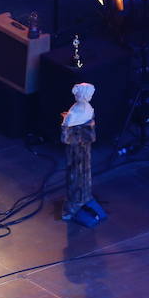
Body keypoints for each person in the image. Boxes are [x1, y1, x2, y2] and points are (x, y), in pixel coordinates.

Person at [61, 82, 107, 227]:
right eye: (88, 94)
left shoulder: (88, 108)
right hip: (76, 151)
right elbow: (65, 136)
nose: (90, 96)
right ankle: (74, 204)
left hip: (84, 149)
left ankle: (85, 198)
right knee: (76, 173)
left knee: (85, 173)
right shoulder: (73, 114)